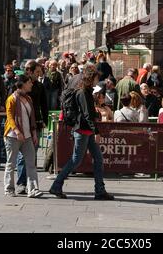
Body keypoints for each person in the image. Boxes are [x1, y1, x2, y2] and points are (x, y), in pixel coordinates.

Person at [49, 66, 114, 200]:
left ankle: (100, 190)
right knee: (76, 160)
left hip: (86, 130)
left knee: (98, 159)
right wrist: (96, 132)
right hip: (83, 130)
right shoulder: (83, 93)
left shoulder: (86, 91)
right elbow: (87, 115)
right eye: (96, 78)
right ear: (91, 78)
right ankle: (56, 185)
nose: (98, 80)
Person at [3, 75, 42, 198]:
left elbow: (32, 118)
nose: (31, 84)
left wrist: (34, 133)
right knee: (11, 163)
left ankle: (33, 190)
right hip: (13, 136)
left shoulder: (29, 99)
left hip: (28, 136)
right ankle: (9, 189)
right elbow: (9, 117)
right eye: (29, 82)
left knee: (31, 163)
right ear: (23, 84)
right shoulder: (12, 99)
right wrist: (17, 131)